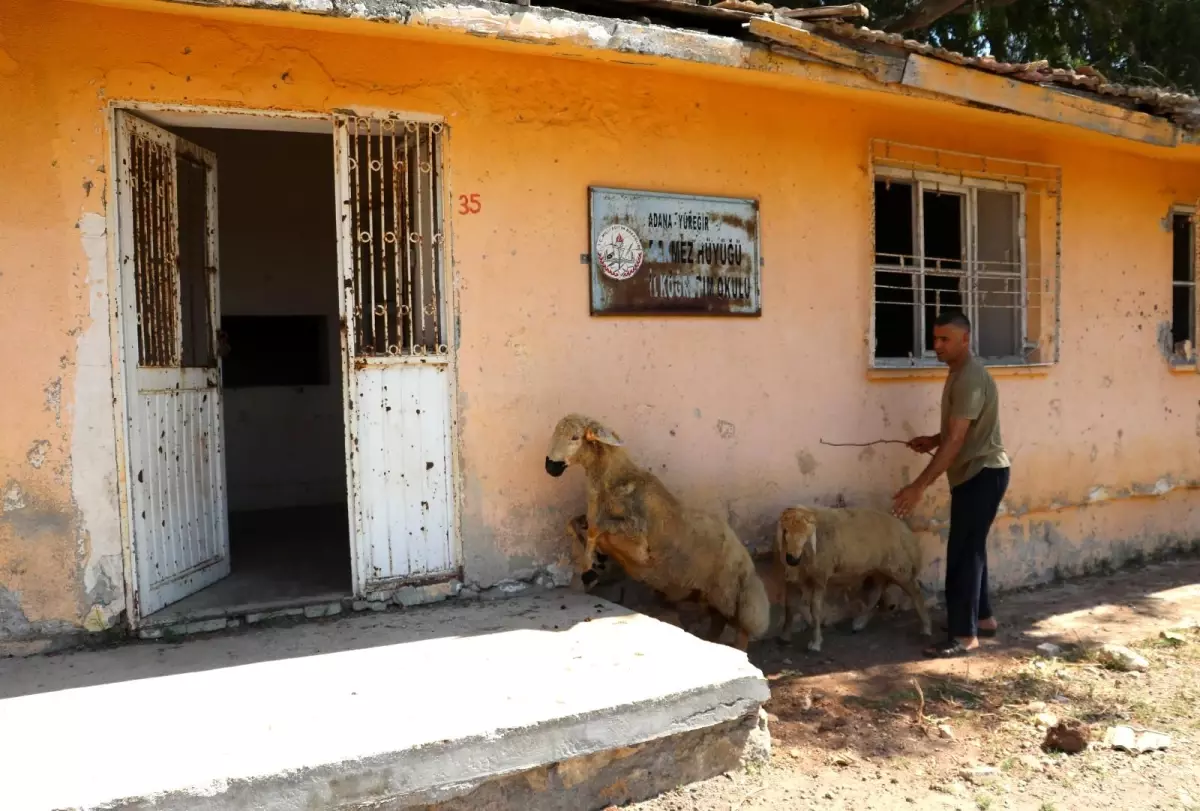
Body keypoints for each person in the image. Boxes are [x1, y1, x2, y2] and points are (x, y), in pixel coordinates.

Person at [891, 310, 1010, 658]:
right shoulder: (958, 374)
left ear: (965, 340)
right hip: (978, 472)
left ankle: (963, 635)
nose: (937, 345)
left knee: (963, 553)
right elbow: (959, 430)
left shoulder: (970, 377)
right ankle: (982, 619)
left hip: (982, 473)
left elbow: (957, 440)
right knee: (972, 549)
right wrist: (933, 439)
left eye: (945, 339)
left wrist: (919, 486)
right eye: (936, 338)